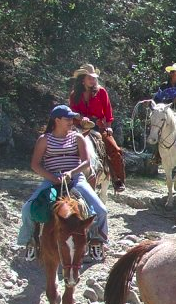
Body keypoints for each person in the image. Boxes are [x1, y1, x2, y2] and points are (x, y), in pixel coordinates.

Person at [17, 105, 109, 261]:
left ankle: (96, 240)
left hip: (76, 179)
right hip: (51, 179)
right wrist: (52, 178)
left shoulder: (77, 137)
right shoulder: (44, 140)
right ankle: (29, 240)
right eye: (67, 119)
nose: (71, 121)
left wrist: (71, 173)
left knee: (101, 210)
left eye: (72, 118)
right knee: (27, 209)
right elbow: (35, 164)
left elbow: (86, 162)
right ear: (57, 120)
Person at [68, 64, 126, 192]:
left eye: (94, 78)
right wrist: (80, 118)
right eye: (90, 78)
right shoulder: (74, 95)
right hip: (80, 126)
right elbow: (72, 111)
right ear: (83, 79)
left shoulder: (101, 92)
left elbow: (107, 110)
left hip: (99, 126)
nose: (93, 80)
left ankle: (118, 179)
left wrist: (109, 126)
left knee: (115, 150)